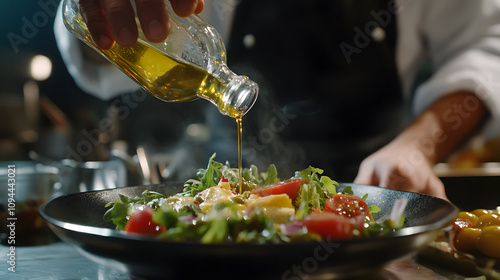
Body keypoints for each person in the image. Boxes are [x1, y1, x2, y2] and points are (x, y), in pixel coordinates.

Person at [54, 0, 500, 201]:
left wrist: (417, 147)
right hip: (216, 222)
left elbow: (486, 44)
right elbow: (106, 61)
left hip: (378, 195)